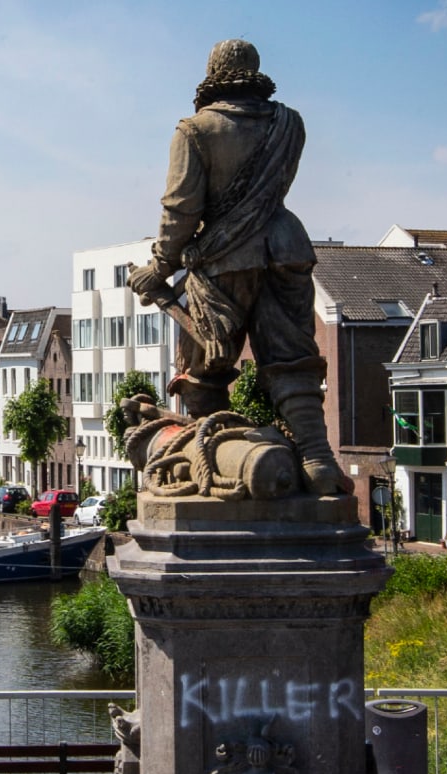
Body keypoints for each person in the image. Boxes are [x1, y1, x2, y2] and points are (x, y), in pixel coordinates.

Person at [126, 40, 343, 493]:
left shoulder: (195, 130)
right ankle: (319, 460)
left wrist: (160, 266)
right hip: (286, 248)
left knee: (205, 366)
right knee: (292, 361)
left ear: (211, 73)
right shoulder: (290, 124)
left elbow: (182, 209)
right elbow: (270, 193)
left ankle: (215, 462)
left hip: (224, 260)